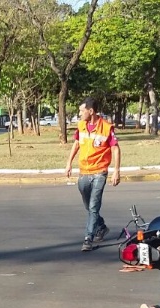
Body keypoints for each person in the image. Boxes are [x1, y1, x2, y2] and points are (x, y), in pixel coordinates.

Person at [64, 97, 122, 252]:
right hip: (83, 172)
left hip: (99, 173)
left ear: (91, 111)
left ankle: (88, 238)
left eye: (82, 110)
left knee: (94, 206)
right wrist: (69, 163)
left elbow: (115, 148)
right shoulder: (81, 125)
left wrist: (116, 170)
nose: (80, 113)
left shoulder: (106, 127)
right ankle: (101, 226)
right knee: (88, 206)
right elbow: (76, 144)